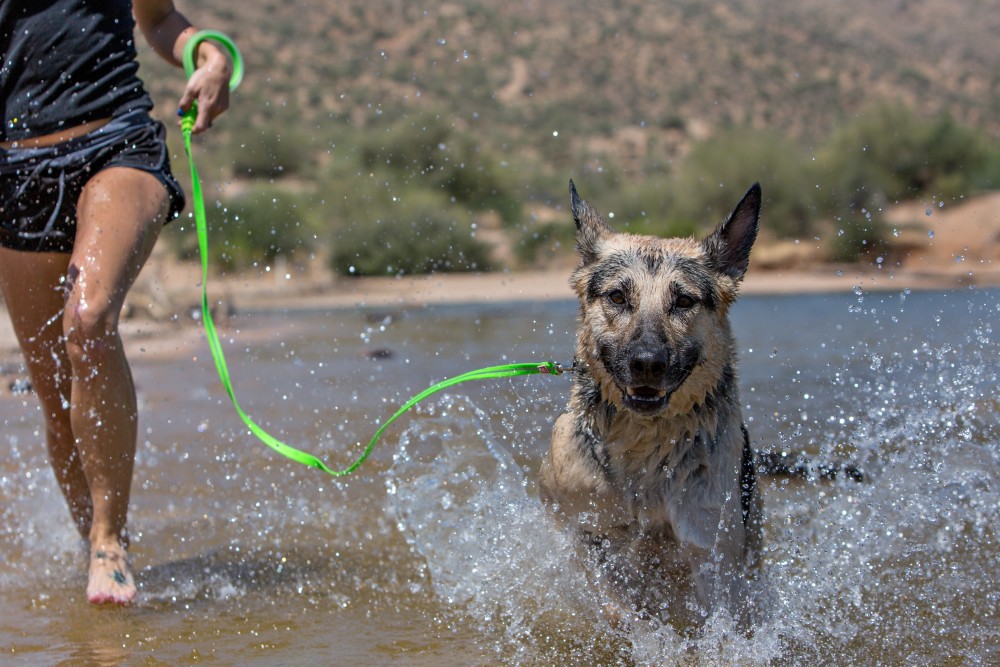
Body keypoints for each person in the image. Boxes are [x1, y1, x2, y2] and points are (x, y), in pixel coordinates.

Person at [0, 0, 233, 604]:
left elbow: (157, 20)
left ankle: (109, 542)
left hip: (114, 143)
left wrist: (209, 54)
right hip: (15, 173)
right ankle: (93, 546)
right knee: (55, 392)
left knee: (89, 319)